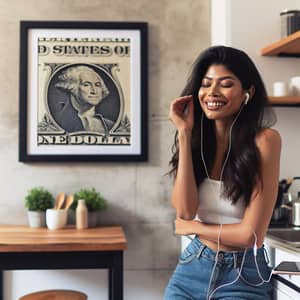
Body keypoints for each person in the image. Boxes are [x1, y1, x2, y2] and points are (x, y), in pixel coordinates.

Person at [164, 46, 281, 300]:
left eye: (226, 84)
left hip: (243, 275)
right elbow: (184, 210)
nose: (212, 92)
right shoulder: (196, 141)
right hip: (192, 266)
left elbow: (250, 235)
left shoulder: (265, 141)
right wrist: (184, 133)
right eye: (206, 84)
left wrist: (195, 226)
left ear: (247, 93)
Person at [53, 65, 114, 134]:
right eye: (86, 85)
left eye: (97, 85)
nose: (94, 91)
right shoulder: (58, 121)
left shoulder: (109, 125)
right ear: (72, 87)